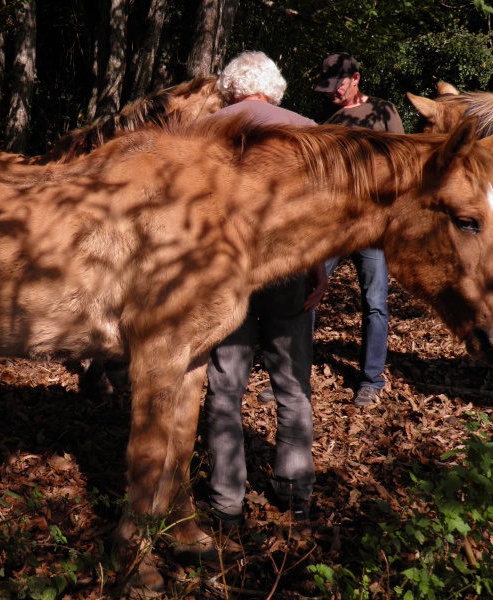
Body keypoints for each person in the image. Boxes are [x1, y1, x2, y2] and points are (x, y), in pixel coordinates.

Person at [203, 51, 326, 527]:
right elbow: (320, 213)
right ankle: (296, 494)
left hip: (225, 273)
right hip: (287, 267)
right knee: (293, 387)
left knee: (225, 389)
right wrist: (317, 266)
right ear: (274, 87)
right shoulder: (307, 129)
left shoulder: (208, 128)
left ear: (231, 87)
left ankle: (226, 503)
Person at [314, 52, 404, 407]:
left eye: (338, 86)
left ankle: (371, 379)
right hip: (335, 225)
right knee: (307, 293)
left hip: (372, 224)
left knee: (374, 303)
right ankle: (291, 373)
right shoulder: (330, 121)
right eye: (328, 88)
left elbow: (402, 162)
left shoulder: (384, 111)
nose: (332, 94)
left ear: (356, 78)